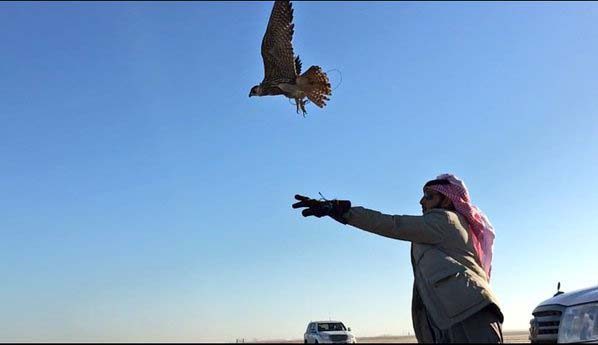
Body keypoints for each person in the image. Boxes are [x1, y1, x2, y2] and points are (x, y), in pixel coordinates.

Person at [292, 173, 504, 343]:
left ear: (447, 199)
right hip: (454, 316)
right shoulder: (445, 225)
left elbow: (393, 224)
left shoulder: (445, 220)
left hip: (466, 315)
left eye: (429, 196)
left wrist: (341, 211)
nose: (421, 201)